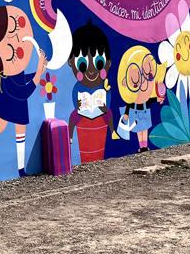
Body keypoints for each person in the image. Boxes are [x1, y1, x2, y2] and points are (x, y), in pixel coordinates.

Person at [0, 5, 47, 177]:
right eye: (10, 50)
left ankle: (21, 169)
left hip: (18, 105)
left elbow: (23, 79)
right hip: (10, 102)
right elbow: (24, 92)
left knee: (19, 132)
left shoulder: (16, 70)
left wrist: (38, 72)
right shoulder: (7, 77)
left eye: (17, 24)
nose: (17, 38)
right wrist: (38, 72)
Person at [67, 19, 118, 163]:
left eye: (99, 63)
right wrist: (79, 106)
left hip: (99, 113)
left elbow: (108, 99)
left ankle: (113, 132)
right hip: (83, 114)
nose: (90, 71)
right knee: (73, 116)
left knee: (109, 114)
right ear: (71, 62)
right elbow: (75, 99)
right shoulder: (77, 87)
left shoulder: (105, 86)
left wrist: (104, 107)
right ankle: (70, 136)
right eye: (82, 64)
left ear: (108, 63)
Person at [116, 46, 166, 152]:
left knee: (145, 129)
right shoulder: (132, 98)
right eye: (135, 81)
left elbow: (149, 100)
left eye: (148, 74)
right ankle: (141, 146)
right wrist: (126, 114)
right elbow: (130, 103)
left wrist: (157, 99)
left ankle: (145, 146)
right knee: (139, 130)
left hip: (145, 111)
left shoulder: (146, 97)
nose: (143, 82)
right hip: (136, 112)